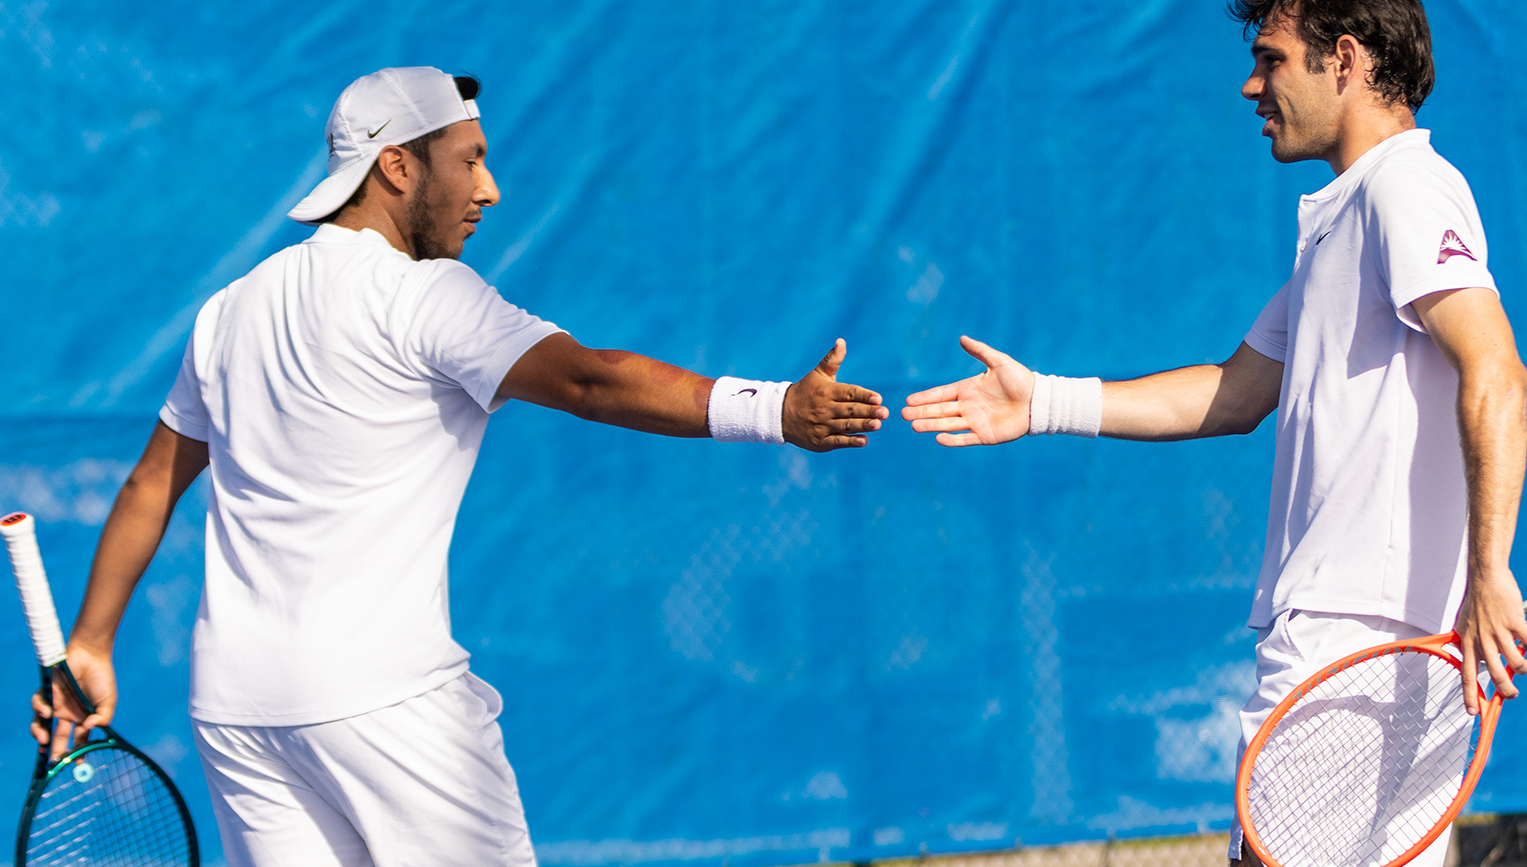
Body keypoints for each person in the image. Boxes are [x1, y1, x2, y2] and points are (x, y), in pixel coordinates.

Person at [29, 66, 890, 867]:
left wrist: (93, 642)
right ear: (398, 167)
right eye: (469, 160)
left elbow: (152, 483)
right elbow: (591, 381)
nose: (490, 189)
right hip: (386, 704)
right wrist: (775, 409)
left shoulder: (230, 308)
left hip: (239, 710)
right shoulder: (423, 296)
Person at [900, 0, 1527, 867]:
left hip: (1351, 641)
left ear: (1346, 59)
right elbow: (1236, 392)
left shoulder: (1403, 186)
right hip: (1387, 643)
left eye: (1273, 58)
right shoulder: (1343, 216)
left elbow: (1497, 371)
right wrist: (1042, 400)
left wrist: (1490, 573)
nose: (1251, 86)